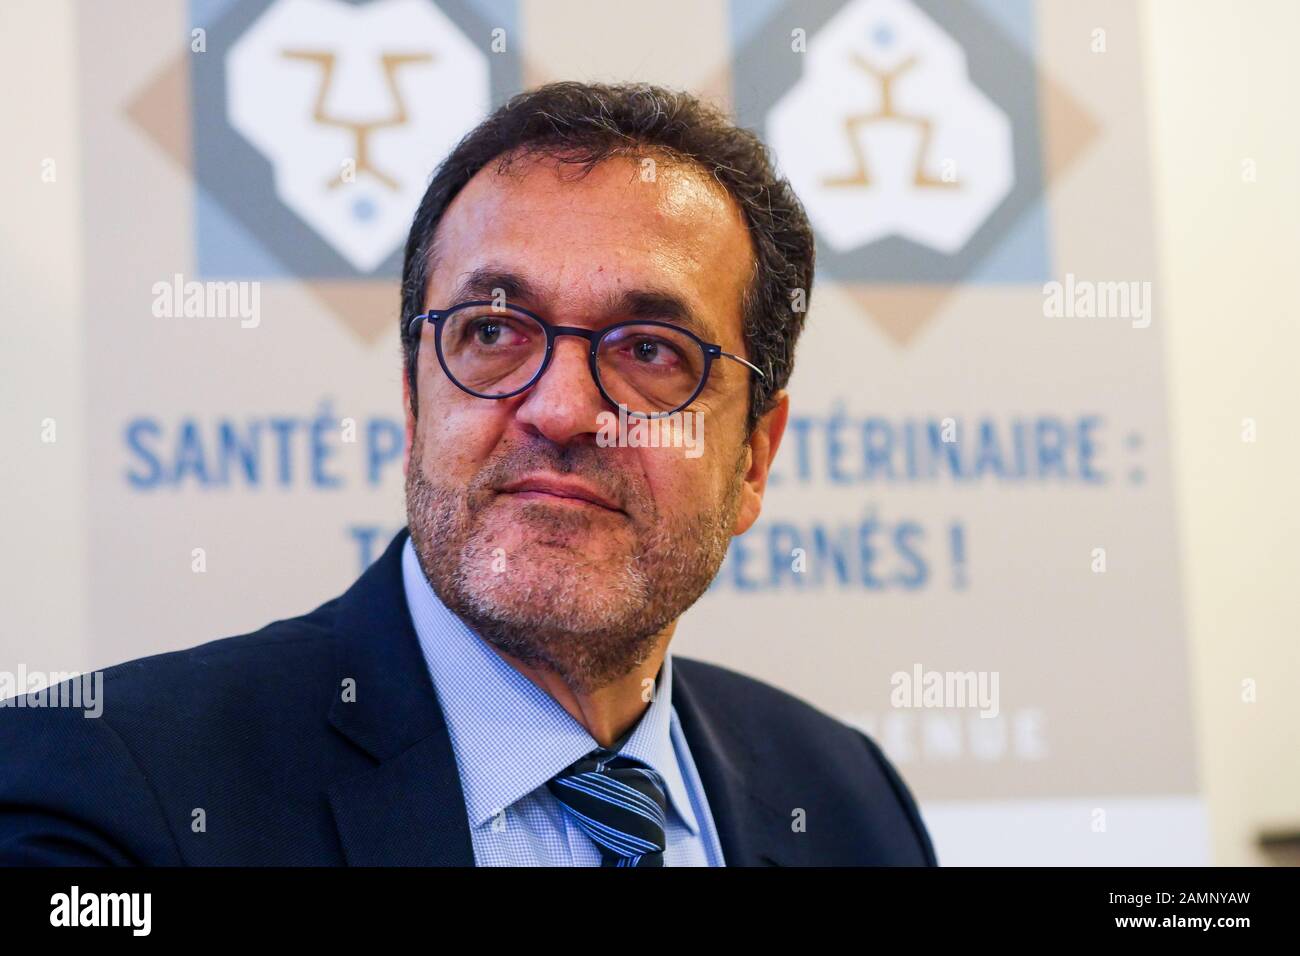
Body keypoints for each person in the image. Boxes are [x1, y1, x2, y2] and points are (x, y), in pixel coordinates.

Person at [0, 82, 935, 866]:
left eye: (651, 350)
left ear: (753, 461)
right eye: (493, 332)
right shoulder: (110, 795)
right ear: (414, 406)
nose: (564, 410)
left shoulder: (848, 803)